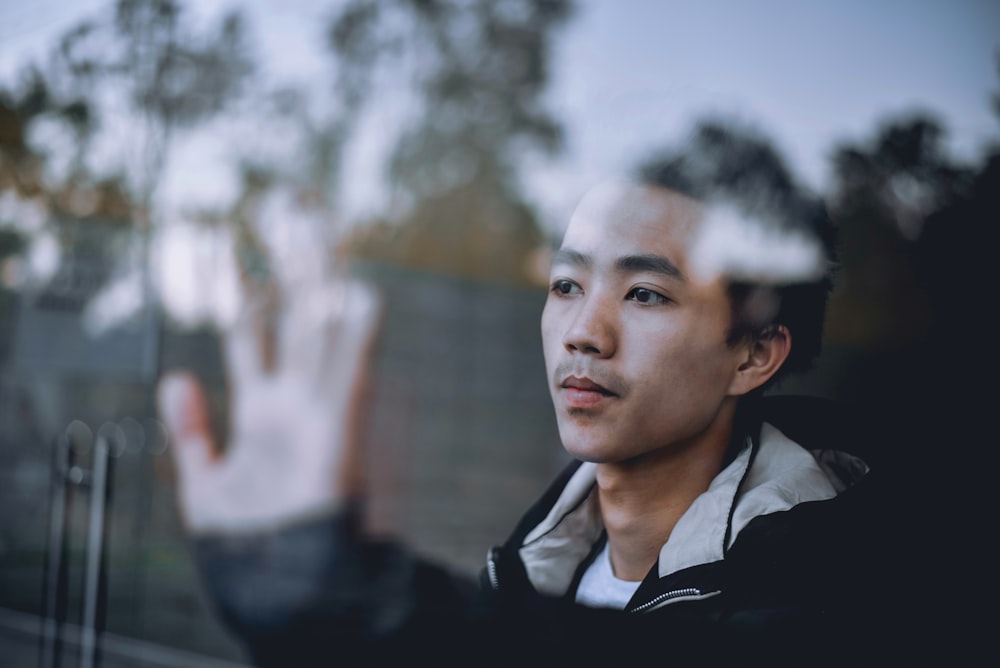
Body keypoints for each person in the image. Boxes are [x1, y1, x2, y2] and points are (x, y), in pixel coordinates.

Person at [157, 125, 889, 666]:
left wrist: (367, 609)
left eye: (643, 293)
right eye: (566, 285)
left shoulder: (838, 585)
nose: (583, 332)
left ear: (755, 354)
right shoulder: (531, 566)